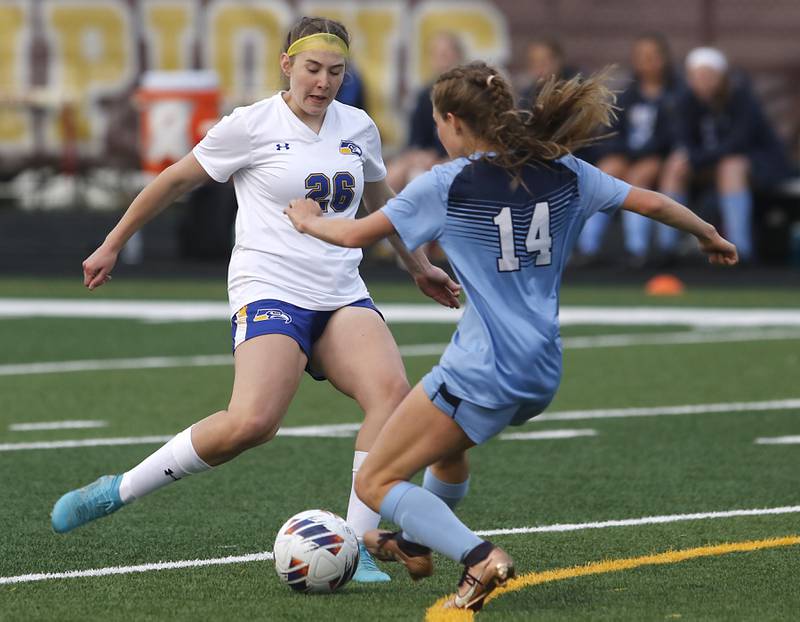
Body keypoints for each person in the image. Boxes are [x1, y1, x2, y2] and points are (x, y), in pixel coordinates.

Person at [284, 61, 737, 610]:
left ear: (452, 121)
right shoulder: (565, 170)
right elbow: (651, 201)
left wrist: (307, 219)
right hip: (541, 370)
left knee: (375, 481)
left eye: (438, 124)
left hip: (484, 367)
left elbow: (355, 233)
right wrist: (708, 234)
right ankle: (415, 543)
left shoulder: (449, 182)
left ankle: (477, 556)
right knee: (447, 455)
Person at [50, 16, 461, 585]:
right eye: (313, 69)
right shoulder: (250, 125)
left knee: (390, 396)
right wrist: (112, 243)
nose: (323, 83)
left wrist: (419, 267)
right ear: (287, 65)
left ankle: (360, 543)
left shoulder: (358, 126)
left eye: (336, 72)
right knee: (252, 423)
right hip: (271, 289)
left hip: (341, 291)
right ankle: (118, 489)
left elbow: (379, 199)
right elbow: (173, 181)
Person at [660, 47, 794, 263]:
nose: (702, 81)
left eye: (708, 75)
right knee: (676, 164)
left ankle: (739, 248)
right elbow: (683, 140)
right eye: (696, 76)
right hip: (710, 164)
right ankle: (666, 248)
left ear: (721, 76)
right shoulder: (685, 101)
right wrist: (694, 159)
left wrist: (698, 158)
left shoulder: (742, 98)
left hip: (760, 167)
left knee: (731, 166)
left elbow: (738, 144)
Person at [576, 33, 683, 266]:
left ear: (664, 59)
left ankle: (638, 248)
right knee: (605, 171)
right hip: (631, 155)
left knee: (639, 176)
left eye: (652, 57)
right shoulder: (628, 95)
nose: (647, 62)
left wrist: (650, 155)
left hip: (658, 157)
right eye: (642, 57)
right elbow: (611, 132)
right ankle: (587, 246)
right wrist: (623, 153)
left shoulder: (677, 95)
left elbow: (676, 136)